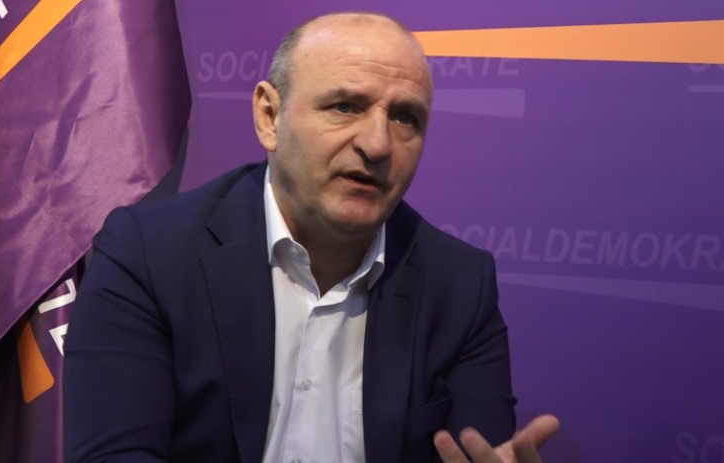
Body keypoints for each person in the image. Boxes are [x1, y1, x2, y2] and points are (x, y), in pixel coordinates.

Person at [64, 11, 559, 463]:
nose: (378, 144)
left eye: (405, 117)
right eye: (345, 106)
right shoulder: (148, 255)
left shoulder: (461, 287)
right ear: (269, 117)